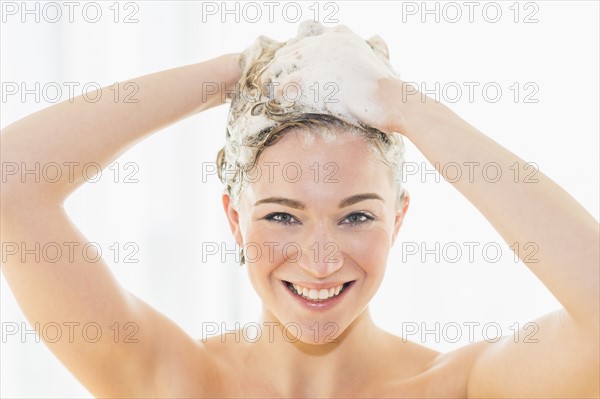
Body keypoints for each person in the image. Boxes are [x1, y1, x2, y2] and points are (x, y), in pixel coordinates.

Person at [1, 21, 598, 398]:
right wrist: (234, 76)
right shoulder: (179, 384)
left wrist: (406, 107)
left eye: (357, 215)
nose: (318, 260)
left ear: (399, 219)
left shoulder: (459, 387)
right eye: (283, 216)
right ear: (235, 220)